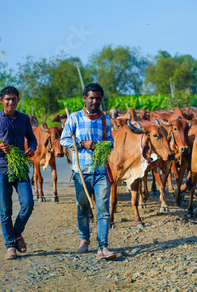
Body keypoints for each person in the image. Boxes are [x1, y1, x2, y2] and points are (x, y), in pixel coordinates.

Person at [60, 83, 116, 260]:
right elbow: (64, 140)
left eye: (98, 98)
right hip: (81, 172)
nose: (94, 101)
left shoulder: (106, 119)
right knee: (83, 207)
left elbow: (111, 141)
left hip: (100, 171)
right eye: (91, 98)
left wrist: (105, 146)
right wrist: (82, 143)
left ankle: (103, 246)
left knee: (103, 209)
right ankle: (84, 239)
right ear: (84, 98)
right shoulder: (74, 118)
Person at [0, 86, 37, 260]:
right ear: (1, 101)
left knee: (28, 204)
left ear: (17, 100)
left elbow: (32, 138)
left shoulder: (24, 119)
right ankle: (10, 246)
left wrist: (32, 148)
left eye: (14, 99)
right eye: (7, 99)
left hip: (19, 167)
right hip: (1, 169)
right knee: (6, 210)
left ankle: (16, 232)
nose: (11, 102)